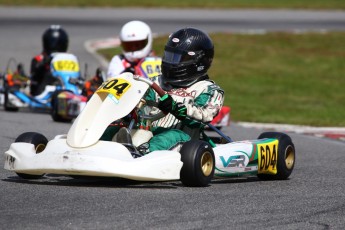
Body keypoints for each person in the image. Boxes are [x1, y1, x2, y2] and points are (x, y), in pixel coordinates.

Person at [102, 27, 224, 156]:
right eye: (169, 56)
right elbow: (139, 98)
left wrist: (175, 107)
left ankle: (142, 155)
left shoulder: (208, 89)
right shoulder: (156, 82)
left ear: (198, 62)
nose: (171, 63)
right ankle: (93, 148)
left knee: (170, 136)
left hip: (185, 141)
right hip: (145, 132)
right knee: (112, 128)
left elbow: (204, 116)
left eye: (177, 58)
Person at [30, 25, 69, 96]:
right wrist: (44, 63)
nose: (55, 46)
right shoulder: (39, 59)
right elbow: (34, 78)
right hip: (44, 91)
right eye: (52, 42)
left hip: (66, 87)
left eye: (59, 43)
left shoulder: (68, 59)